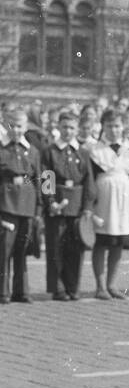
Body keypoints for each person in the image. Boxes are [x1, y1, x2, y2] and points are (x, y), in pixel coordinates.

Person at [87, 109, 129, 300]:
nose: (114, 130)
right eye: (110, 126)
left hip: (124, 197)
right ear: (103, 127)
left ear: (124, 127)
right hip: (104, 197)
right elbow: (91, 177)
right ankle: (100, 285)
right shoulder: (95, 150)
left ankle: (112, 284)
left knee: (118, 242)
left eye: (118, 125)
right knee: (102, 241)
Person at [41, 106, 92, 301]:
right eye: (64, 127)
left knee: (75, 248)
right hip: (57, 205)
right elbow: (46, 178)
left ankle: (73, 286)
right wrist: (51, 202)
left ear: (77, 129)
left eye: (71, 127)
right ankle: (58, 287)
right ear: (58, 127)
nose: (68, 131)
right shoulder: (50, 151)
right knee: (56, 247)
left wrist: (87, 207)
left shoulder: (83, 152)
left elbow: (89, 182)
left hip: (77, 206)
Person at [0, 108, 41, 304]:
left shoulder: (33, 151)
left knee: (22, 249)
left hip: (27, 205)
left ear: (26, 127)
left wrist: (42, 205)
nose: (16, 130)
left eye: (20, 126)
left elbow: (39, 178)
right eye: (12, 126)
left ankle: (22, 290)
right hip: (6, 205)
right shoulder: (2, 148)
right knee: (4, 250)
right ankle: (3, 292)